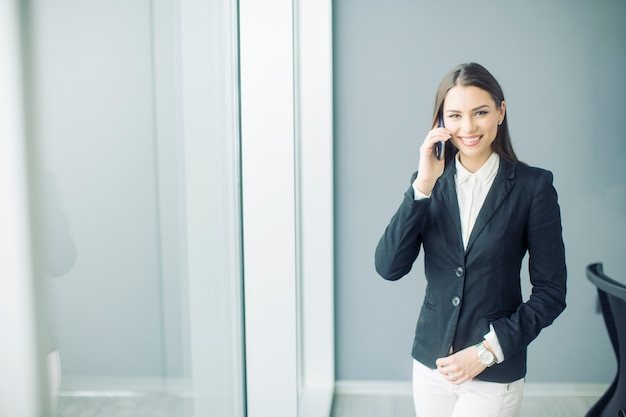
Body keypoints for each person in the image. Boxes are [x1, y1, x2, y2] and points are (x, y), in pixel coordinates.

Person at [374, 63, 567, 417]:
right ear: (441, 123)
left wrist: (485, 352)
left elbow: (552, 294)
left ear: (500, 112)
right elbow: (389, 267)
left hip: (493, 370)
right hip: (431, 365)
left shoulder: (533, 187)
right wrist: (422, 186)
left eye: (480, 112)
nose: (468, 127)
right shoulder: (429, 182)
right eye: (455, 115)